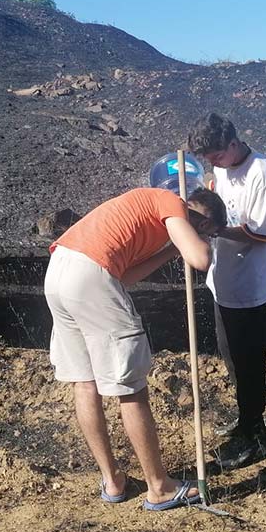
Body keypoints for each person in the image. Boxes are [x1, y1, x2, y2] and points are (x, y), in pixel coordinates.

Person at [45, 186, 226, 510]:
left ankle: (113, 481)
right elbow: (200, 258)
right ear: (200, 220)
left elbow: (125, 277)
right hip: (89, 276)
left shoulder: (147, 208)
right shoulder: (170, 202)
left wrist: (172, 250)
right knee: (130, 386)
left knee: (85, 384)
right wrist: (201, 244)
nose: (202, 235)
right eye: (205, 230)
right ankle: (160, 487)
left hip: (59, 269)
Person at [187, 113, 266, 470]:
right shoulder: (221, 170)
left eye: (216, 156)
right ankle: (245, 418)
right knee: (229, 356)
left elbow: (260, 234)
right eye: (207, 160)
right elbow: (214, 203)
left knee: (249, 362)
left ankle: (253, 432)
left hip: (249, 286)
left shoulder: (261, 172)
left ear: (232, 143)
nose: (213, 163)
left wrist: (216, 229)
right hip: (221, 281)